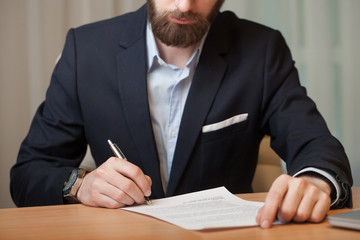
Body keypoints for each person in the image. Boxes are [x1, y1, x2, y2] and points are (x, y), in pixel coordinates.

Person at [11, 0, 352, 229]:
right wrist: (79, 185)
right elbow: (29, 173)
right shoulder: (85, 51)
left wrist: (314, 183)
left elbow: (316, 145)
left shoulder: (261, 50)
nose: (185, 5)